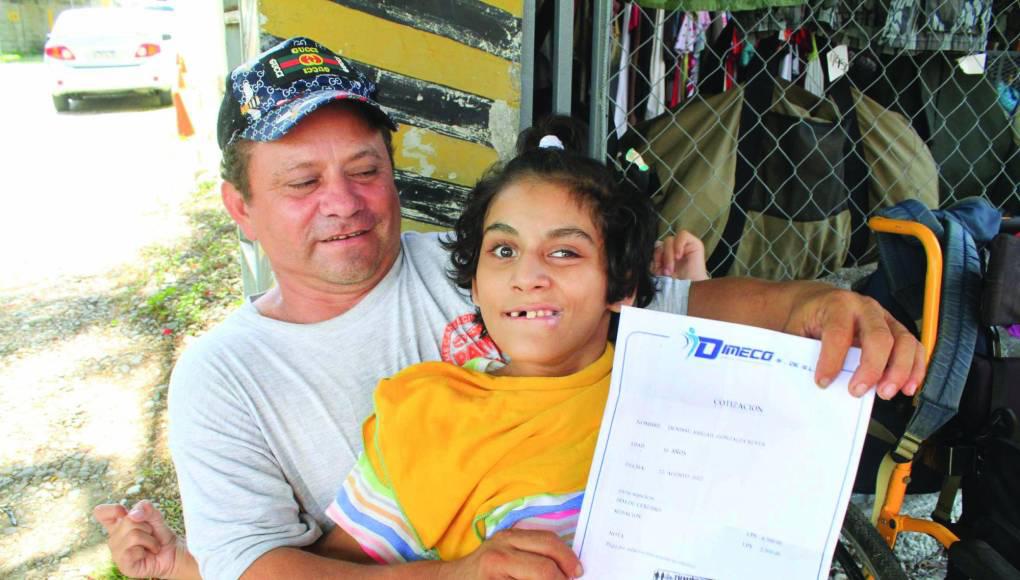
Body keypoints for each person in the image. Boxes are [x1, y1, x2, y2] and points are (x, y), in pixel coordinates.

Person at [93, 36, 924, 580]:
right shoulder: (226, 377)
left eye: (365, 170)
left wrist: (814, 303)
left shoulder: (487, 267)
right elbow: (261, 570)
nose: (343, 201)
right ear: (240, 208)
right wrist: (462, 574)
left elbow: (685, 305)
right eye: (303, 181)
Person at [319, 118, 663, 564]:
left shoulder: (665, 403)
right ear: (476, 286)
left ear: (621, 286)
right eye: (504, 250)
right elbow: (341, 569)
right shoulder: (427, 417)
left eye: (564, 252)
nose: (527, 276)